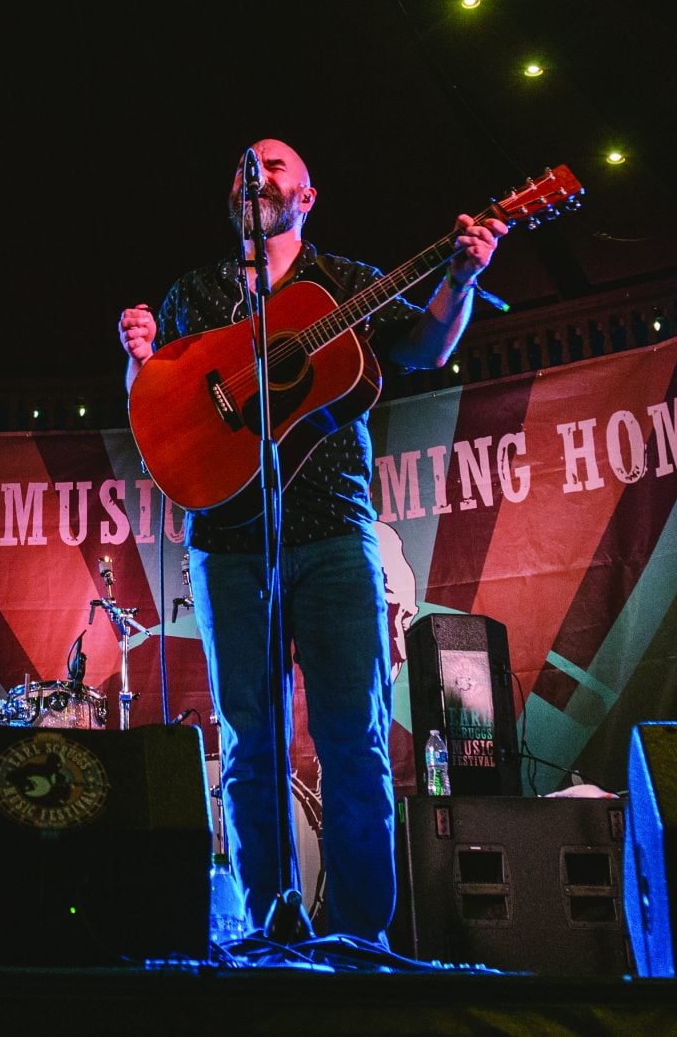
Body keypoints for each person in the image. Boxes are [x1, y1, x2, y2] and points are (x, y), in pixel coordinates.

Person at [118, 139, 503, 939]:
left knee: (353, 741)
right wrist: (140, 361)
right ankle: (267, 932)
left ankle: (362, 942)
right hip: (228, 541)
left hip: (333, 531)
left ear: (307, 195)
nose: (255, 175)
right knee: (248, 745)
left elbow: (425, 347)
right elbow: (159, 405)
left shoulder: (345, 282)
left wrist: (461, 278)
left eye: (275, 166)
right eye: (244, 167)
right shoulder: (195, 291)